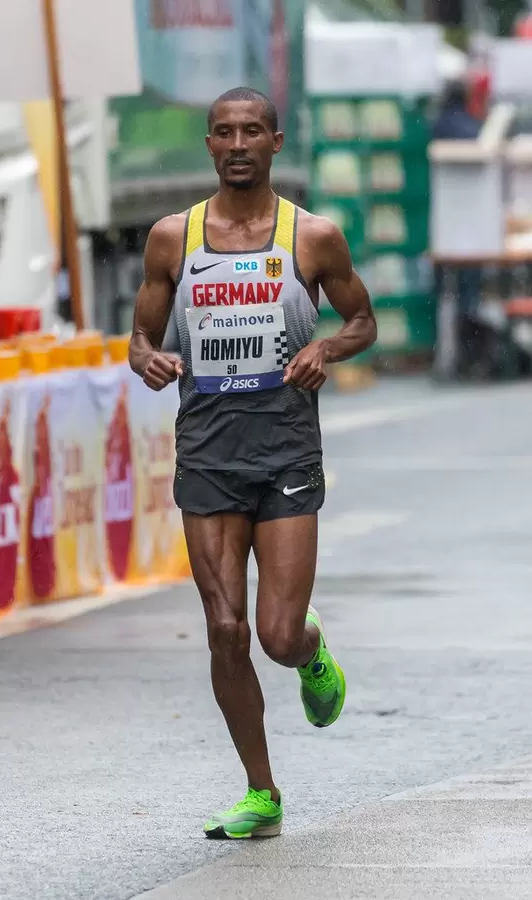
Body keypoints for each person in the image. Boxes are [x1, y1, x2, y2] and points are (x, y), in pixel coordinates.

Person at [129, 87, 377, 839]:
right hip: (207, 447)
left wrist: (325, 346)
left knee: (274, 632)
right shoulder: (173, 238)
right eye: (223, 133)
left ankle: (310, 652)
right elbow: (138, 337)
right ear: (208, 145)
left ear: (275, 141)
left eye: (251, 132)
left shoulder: (313, 237)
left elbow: (362, 319)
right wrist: (148, 358)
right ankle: (261, 793)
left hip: (285, 447)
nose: (237, 144)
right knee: (226, 629)